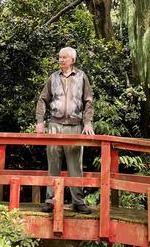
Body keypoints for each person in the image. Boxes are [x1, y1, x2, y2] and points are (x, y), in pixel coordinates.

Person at [35, 46, 94, 214]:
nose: (61, 60)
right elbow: (42, 99)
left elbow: (88, 101)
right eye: (60, 57)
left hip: (75, 127)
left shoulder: (82, 77)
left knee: (76, 166)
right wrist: (40, 122)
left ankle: (78, 202)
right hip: (54, 125)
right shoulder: (52, 78)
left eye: (64, 57)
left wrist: (87, 123)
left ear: (72, 60)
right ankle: (50, 201)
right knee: (53, 164)